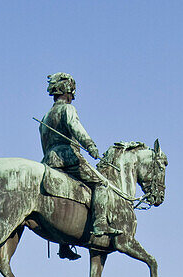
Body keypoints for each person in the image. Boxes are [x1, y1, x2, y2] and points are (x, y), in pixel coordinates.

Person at [39, 73, 122, 260]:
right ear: (68, 91)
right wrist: (90, 145)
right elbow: (76, 127)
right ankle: (100, 224)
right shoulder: (68, 109)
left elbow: (44, 143)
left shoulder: (45, 117)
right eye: (72, 92)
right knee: (102, 183)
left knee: (68, 197)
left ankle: (64, 246)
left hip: (48, 160)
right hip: (67, 157)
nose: (72, 96)